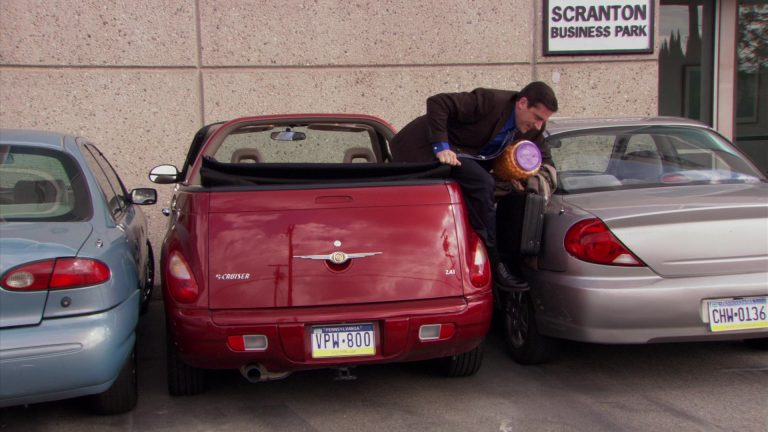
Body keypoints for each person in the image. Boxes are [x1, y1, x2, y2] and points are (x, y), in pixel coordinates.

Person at [390, 81, 558, 291]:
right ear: (522, 103)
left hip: (464, 157)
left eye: (544, 121)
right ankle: (495, 263)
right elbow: (438, 102)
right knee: (482, 183)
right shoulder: (490, 101)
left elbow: (546, 162)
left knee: (499, 191)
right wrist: (441, 146)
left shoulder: (531, 130)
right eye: (537, 118)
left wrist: (533, 178)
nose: (539, 126)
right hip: (423, 147)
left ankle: (483, 256)